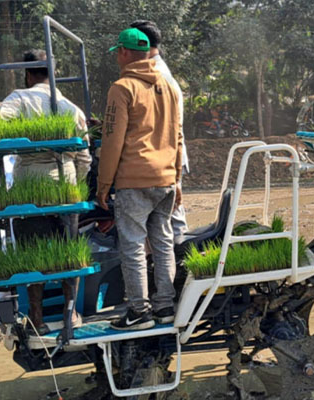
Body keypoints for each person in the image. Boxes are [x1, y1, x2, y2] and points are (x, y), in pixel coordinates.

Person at [0, 49, 91, 335]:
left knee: (31, 253)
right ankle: (70, 311)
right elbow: (85, 158)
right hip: (65, 183)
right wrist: (76, 188)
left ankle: (37, 317)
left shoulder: (18, 98)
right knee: (69, 253)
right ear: (53, 75)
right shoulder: (71, 107)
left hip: (30, 185)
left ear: (28, 74)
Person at [97, 28, 182, 330]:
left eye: (117, 52)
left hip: (134, 179)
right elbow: (177, 135)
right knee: (162, 242)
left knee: (132, 245)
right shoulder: (171, 87)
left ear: (123, 52)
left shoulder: (122, 88)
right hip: (166, 178)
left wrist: (104, 184)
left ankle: (138, 311)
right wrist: (178, 179)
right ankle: (165, 307)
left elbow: (112, 140)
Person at [130, 20, 190, 238]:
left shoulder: (156, 74)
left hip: (165, 154)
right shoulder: (158, 70)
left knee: (171, 221)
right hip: (167, 153)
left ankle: (182, 265)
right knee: (168, 218)